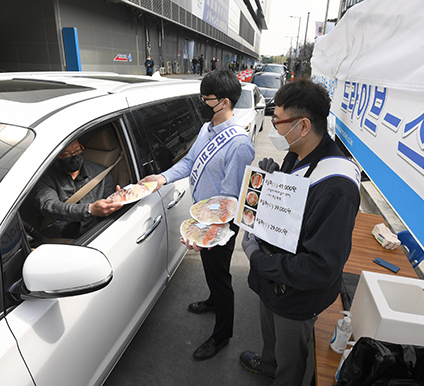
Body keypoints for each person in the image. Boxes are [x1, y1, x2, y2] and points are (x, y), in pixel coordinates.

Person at [239, 78, 361, 385]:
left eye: (278, 121)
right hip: (274, 279)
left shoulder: (337, 187)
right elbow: (293, 207)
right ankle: (268, 364)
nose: (274, 128)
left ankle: (283, 377)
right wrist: (271, 182)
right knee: (271, 331)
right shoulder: (299, 154)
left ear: (303, 125)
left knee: (291, 353)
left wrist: (257, 258)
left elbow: (320, 267)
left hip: (296, 294)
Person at [141, 70, 255, 361]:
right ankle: (213, 301)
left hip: (220, 223)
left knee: (220, 276)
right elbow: (190, 162)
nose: (202, 102)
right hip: (203, 215)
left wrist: (202, 229)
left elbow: (229, 199)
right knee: (210, 270)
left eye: (207, 98)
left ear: (224, 102)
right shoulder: (207, 128)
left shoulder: (239, 144)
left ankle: (222, 335)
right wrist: (162, 178)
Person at [32, 140, 124, 239]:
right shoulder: (44, 178)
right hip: (59, 238)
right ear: (54, 158)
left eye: (77, 150)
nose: (74, 156)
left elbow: (107, 211)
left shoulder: (102, 174)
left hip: (94, 234)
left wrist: (115, 201)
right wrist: (89, 210)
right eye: (66, 154)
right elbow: (49, 206)